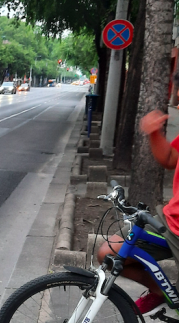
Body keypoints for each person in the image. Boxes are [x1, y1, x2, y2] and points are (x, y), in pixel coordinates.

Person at [97, 72, 179, 315]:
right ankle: (160, 291)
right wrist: (154, 132)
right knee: (108, 253)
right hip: (170, 221)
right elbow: (170, 158)